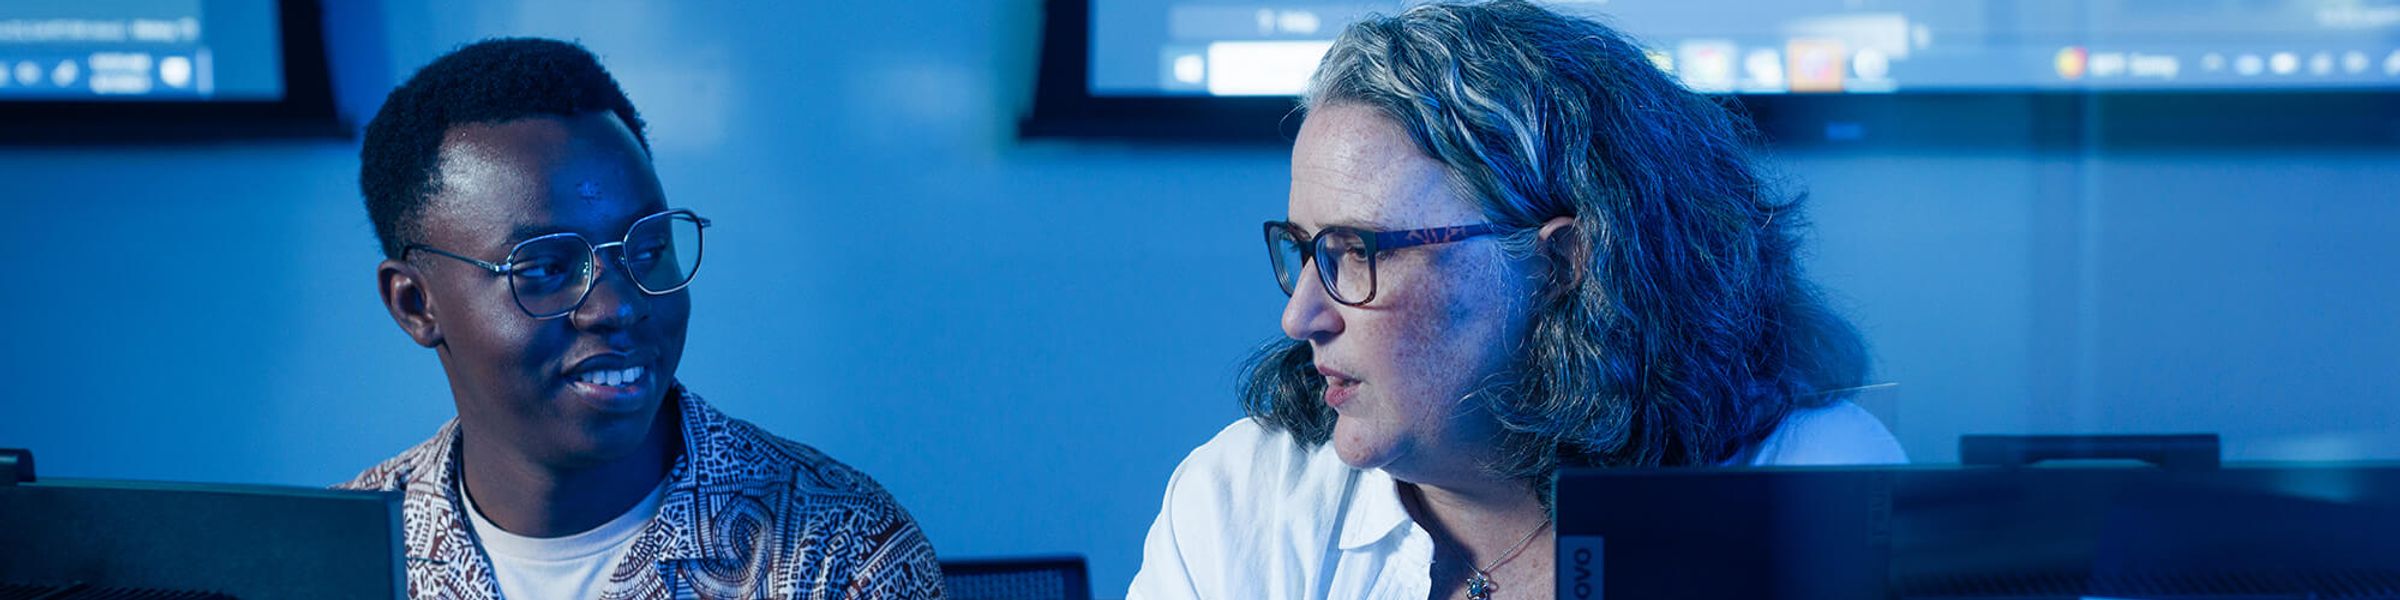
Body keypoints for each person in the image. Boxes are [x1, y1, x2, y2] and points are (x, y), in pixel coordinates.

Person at [1129, 2, 1905, 598]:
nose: (1300, 316)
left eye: (1356, 253)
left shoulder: (1810, 482)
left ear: (1561, 263)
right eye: (1304, 251)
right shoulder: (1242, 495)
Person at [337, 38, 942, 599]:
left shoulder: (842, 556)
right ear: (416, 304)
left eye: (648, 250)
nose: (619, 306)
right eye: (545, 266)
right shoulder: (333, 558)